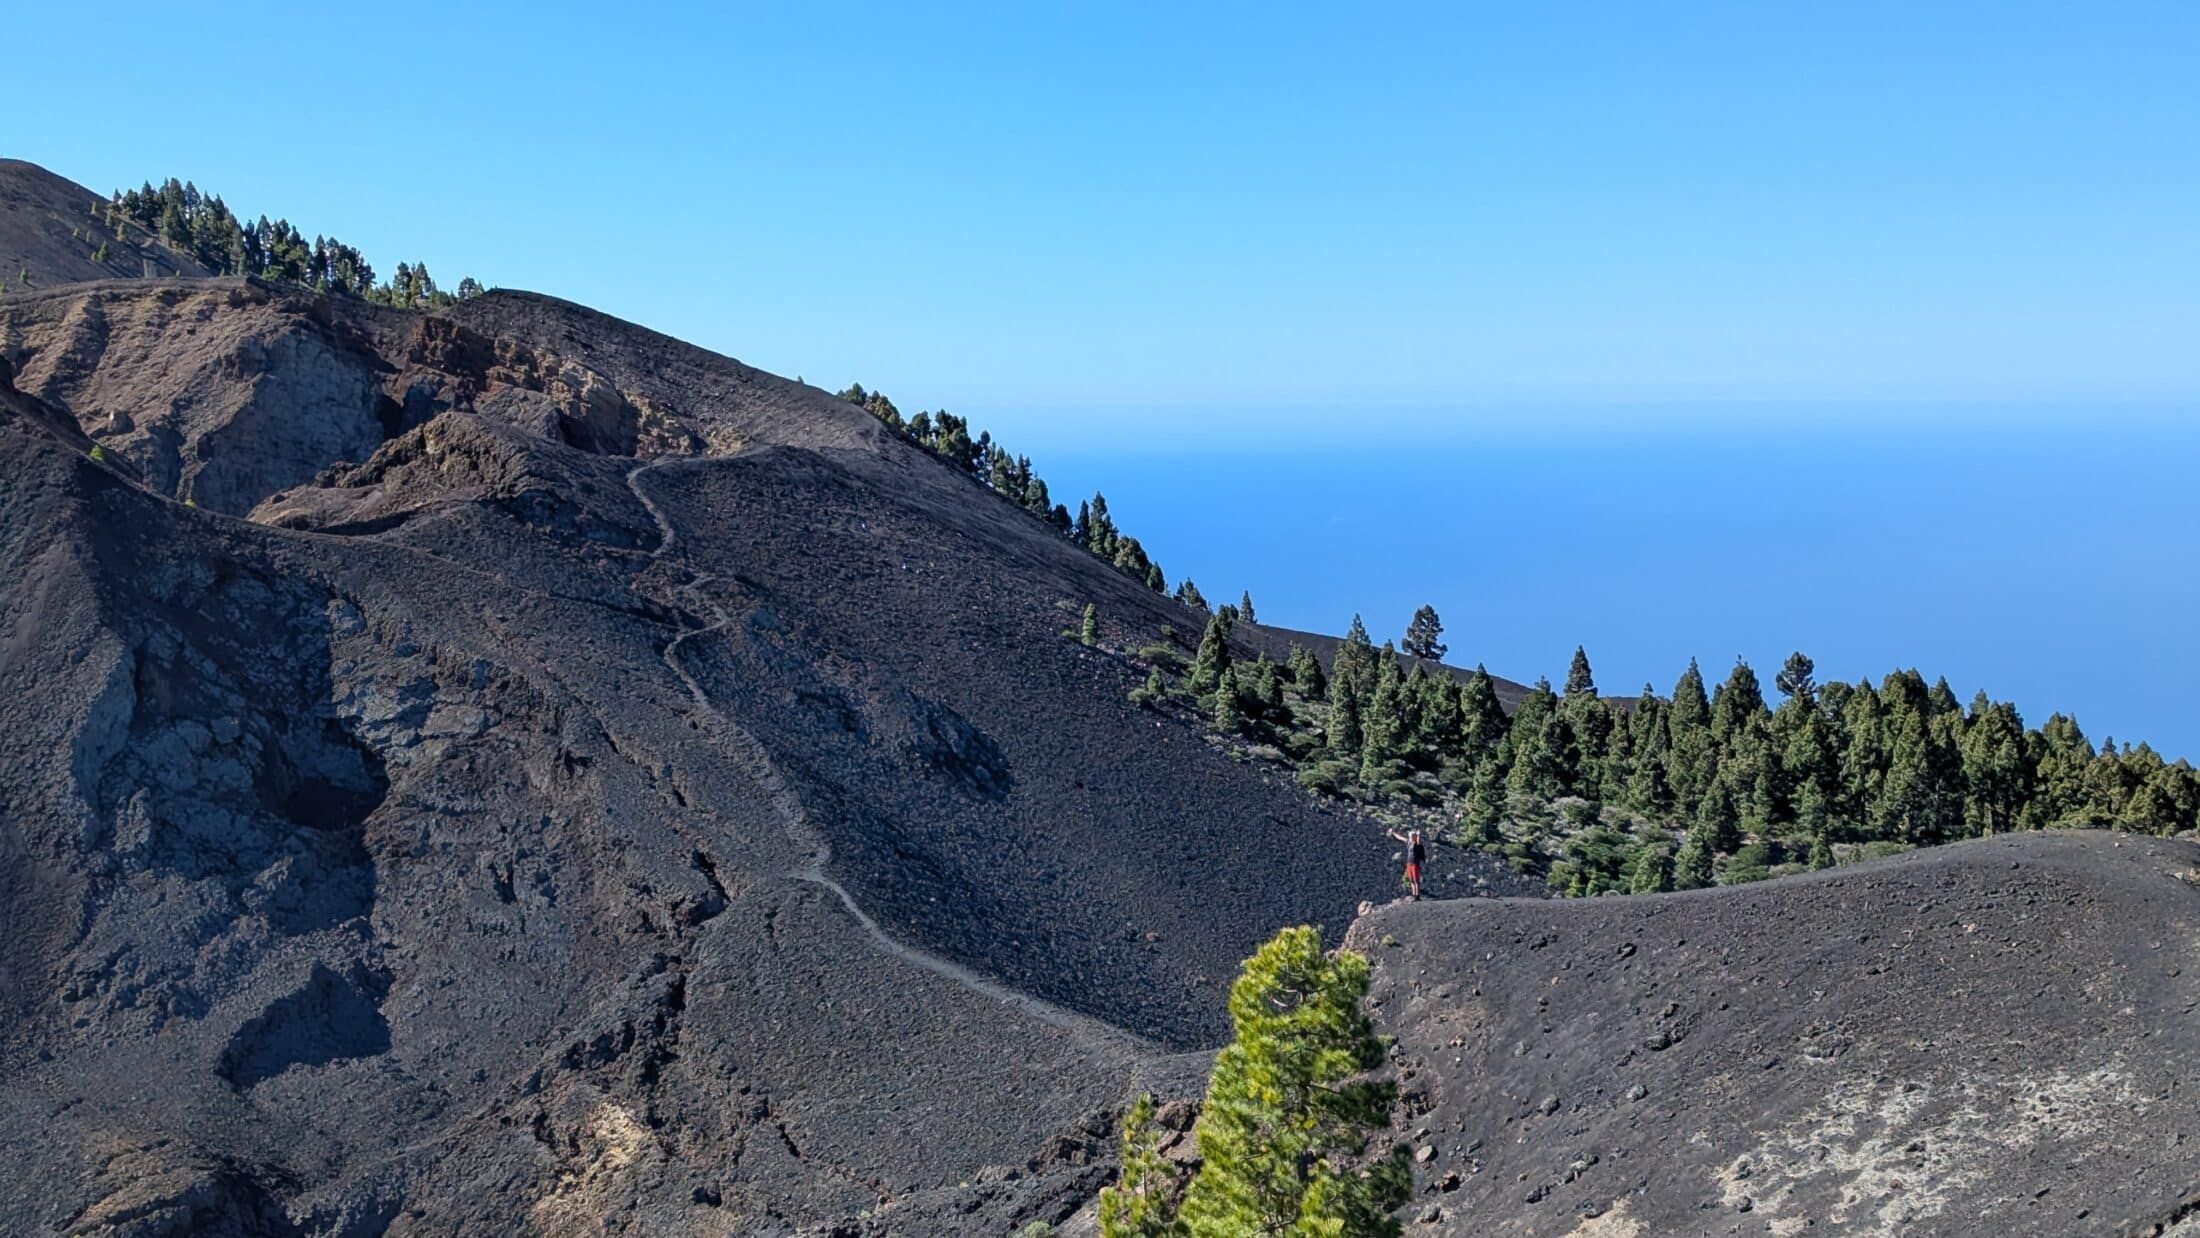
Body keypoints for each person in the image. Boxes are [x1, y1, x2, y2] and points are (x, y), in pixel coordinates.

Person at [1386, 827, 1426, 899]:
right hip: (1409, 863)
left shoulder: (1417, 844)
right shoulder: (1409, 843)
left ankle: (1417, 895)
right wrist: (1393, 833)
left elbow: (1418, 841)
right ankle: (1414, 894)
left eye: (1412, 836)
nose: (1410, 837)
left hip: (1415, 863)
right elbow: (1401, 838)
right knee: (1412, 880)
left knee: (1416, 879)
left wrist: (1418, 835)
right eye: (1410, 836)